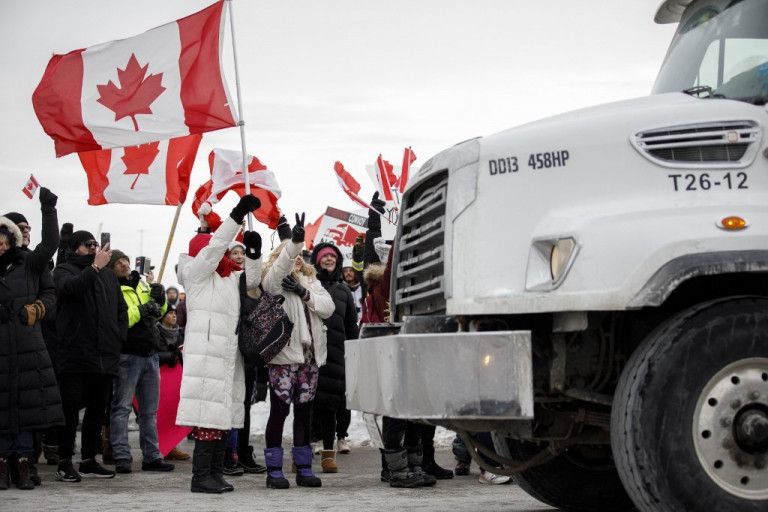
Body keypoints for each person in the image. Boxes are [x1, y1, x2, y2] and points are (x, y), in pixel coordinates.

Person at [175, 195, 262, 494]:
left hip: (228, 354)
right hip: (206, 354)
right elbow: (213, 248)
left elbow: (253, 280)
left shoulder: (228, 277)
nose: (220, 255)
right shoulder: (196, 274)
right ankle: (200, 476)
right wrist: (236, 215)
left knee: (223, 417)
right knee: (208, 417)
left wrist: (254, 254)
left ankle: (215, 472)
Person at [260, 214, 334, 489]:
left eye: (301, 254)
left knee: (304, 414)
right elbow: (281, 267)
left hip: (310, 358)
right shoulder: (274, 280)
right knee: (279, 412)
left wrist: (304, 293)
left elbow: (328, 308)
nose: (298, 257)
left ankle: (303, 468)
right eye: (293, 254)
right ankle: (274, 470)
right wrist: (293, 243)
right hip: (284, 357)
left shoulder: (310, 281)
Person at [0, 189, 64, 490]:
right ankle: (2, 468)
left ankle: (24, 467)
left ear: (12, 242)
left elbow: (50, 245)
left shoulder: (28, 263)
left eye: (4, 242)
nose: (1, 247)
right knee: (2, 408)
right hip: (1, 349)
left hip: (28, 347)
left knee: (27, 409)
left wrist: (48, 211)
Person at [53, 229, 127, 482]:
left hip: (104, 354)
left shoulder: (107, 275)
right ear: (76, 248)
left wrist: (118, 337)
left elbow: (120, 309)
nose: (94, 248)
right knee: (70, 410)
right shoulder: (64, 270)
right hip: (75, 353)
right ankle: (64, 461)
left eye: (96, 244)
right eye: (88, 244)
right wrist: (94, 267)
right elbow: (72, 289)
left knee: (97, 410)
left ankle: (88, 460)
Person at [106, 250, 175, 475]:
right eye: (118, 262)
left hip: (150, 354)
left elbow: (158, 314)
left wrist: (161, 300)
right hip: (127, 354)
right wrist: (143, 309)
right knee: (122, 408)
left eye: (125, 260)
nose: (124, 264)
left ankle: (152, 456)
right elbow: (121, 320)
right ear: (111, 269)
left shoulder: (142, 285)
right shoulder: (112, 289)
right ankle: (121, 455)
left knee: (149, 411)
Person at [309, 242, 359, 473]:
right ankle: (315, 439)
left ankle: (329, 451)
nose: (329, 259)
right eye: (324, 256)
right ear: (317, 260)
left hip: (337, 353)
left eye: (332, 256)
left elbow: (351, 325)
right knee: (310, 400)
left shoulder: (343, 291)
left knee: (331, 401)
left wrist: (354, 351)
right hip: (312, 351)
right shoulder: (310, 286)